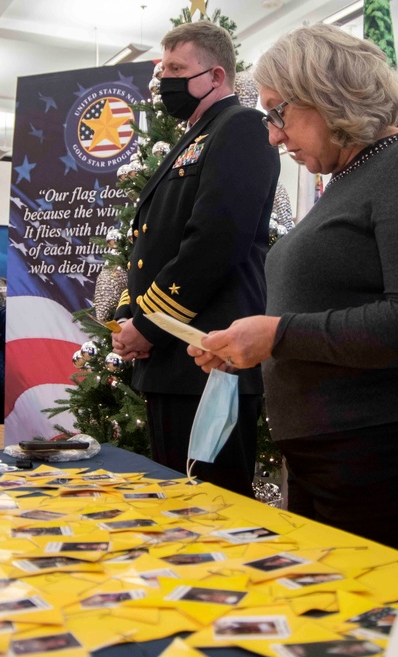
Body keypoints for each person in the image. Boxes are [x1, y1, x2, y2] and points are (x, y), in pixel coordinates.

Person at [189, 24, 398, 571]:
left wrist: (277, 334)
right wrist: (248, 345)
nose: (273, 136)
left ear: (330, 95)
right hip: (336, 452)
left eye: (278, 112)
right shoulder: (354, 177)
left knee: (386, 635)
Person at [110, 20, 280, 497]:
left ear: (217, 76)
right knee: (180, 504)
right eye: (163, 69)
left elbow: (215, 241)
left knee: (213, 507)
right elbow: (151, 245)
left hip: (209, 355)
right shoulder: (194, 135)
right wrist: (129, 316)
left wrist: (148, 325)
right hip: (174, 356)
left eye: (178, 68)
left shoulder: (242, 127)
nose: (165, 80)